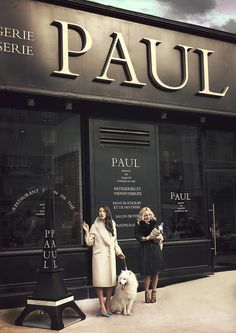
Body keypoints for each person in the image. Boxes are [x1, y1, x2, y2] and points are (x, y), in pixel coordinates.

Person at [83, 205, 125, 317]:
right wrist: (87, 232)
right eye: (99, 211)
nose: (101, 213)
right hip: (99, 257)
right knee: (100, 283)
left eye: (103, 211)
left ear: (107, 213)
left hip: (110, 256)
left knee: (110, 283)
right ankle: (102, 305)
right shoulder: (95, 226)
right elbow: (89, 242)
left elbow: (115, 241)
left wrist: (119, 253)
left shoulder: (112, 224)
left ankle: (107, 304)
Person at [134, 207, 165, 303]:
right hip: (145, 249)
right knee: (147, 273)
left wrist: (156, 236)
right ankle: (146, 293)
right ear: (142, 216)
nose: (147, 217)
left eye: (149, 215)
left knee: (156, 272)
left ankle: (154, 292)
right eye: (145, 215)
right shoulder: (138, 224)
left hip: (155, 248)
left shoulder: (154, 223)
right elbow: (137, 237)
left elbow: (160, 236)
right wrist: (147, 238)